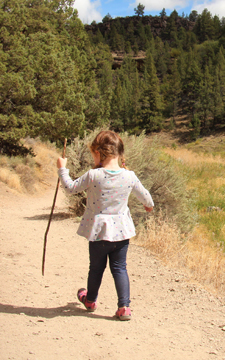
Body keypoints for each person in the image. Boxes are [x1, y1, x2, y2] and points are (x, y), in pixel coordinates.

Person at [57, 130, 154, 321]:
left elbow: (70, 188)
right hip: (122, 233)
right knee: (120, 268)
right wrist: (148, 206)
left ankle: (90, 300)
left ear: (99, 152)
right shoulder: (129, 176)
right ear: (119, 153)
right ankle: (124, 307)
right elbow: (148, 199)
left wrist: (62, 169)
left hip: (99, 232)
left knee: (96, 268)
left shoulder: (94, 175)